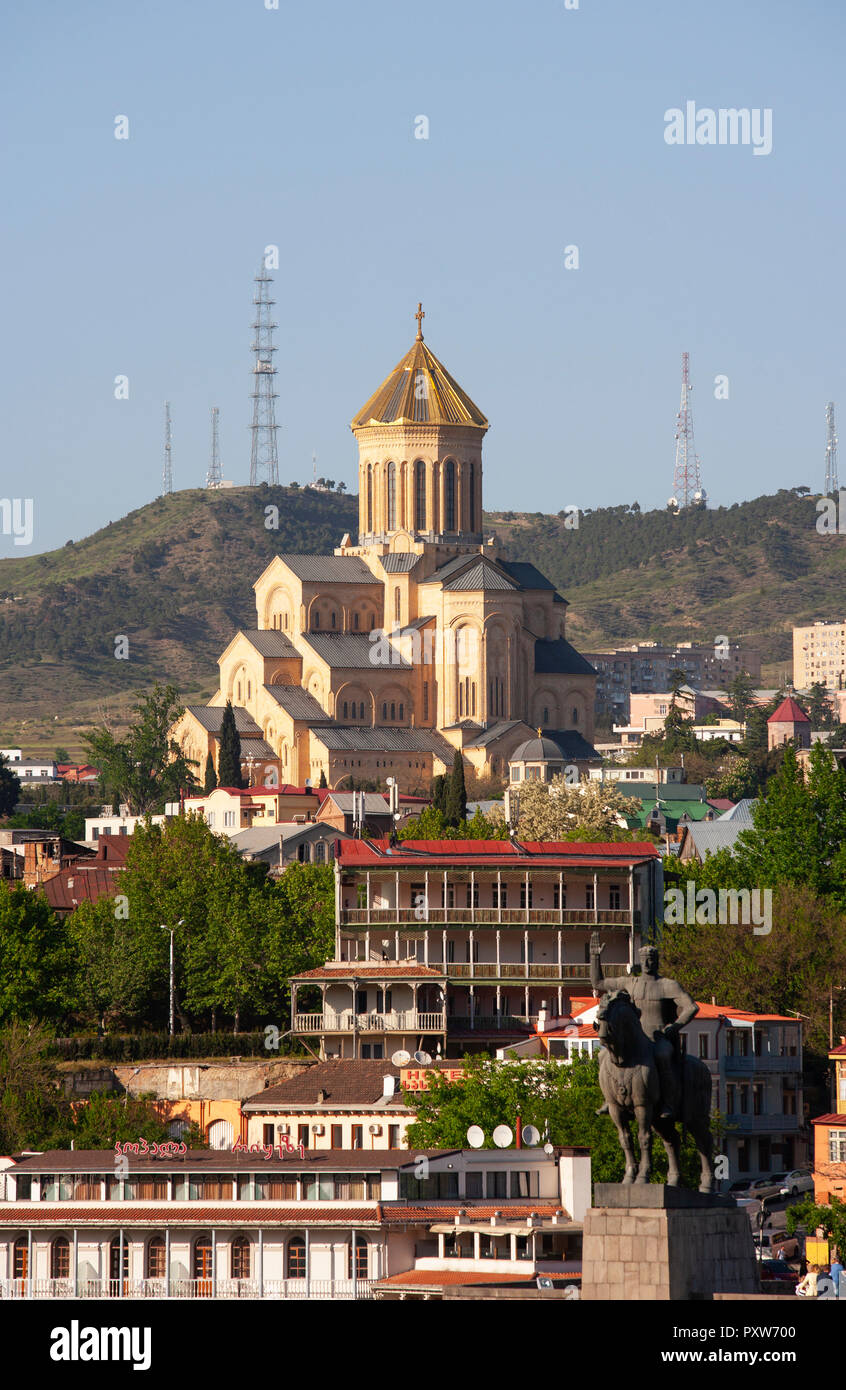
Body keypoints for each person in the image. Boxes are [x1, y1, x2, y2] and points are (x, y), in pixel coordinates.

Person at [590, 937, 698, 1119]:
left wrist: (674, 1027)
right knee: (603, 1055)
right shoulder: (630, 983)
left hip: (658, 1038)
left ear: (657, 961)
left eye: (651, 959)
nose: (647, 963)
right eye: (644, 959)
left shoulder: (668, 985)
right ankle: (610, 1100)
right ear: (640, 962)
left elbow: (691, 1007)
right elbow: (598, 983)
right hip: (636, 1040)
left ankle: (668, 1103)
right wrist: (594, 958)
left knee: (662, 1056)